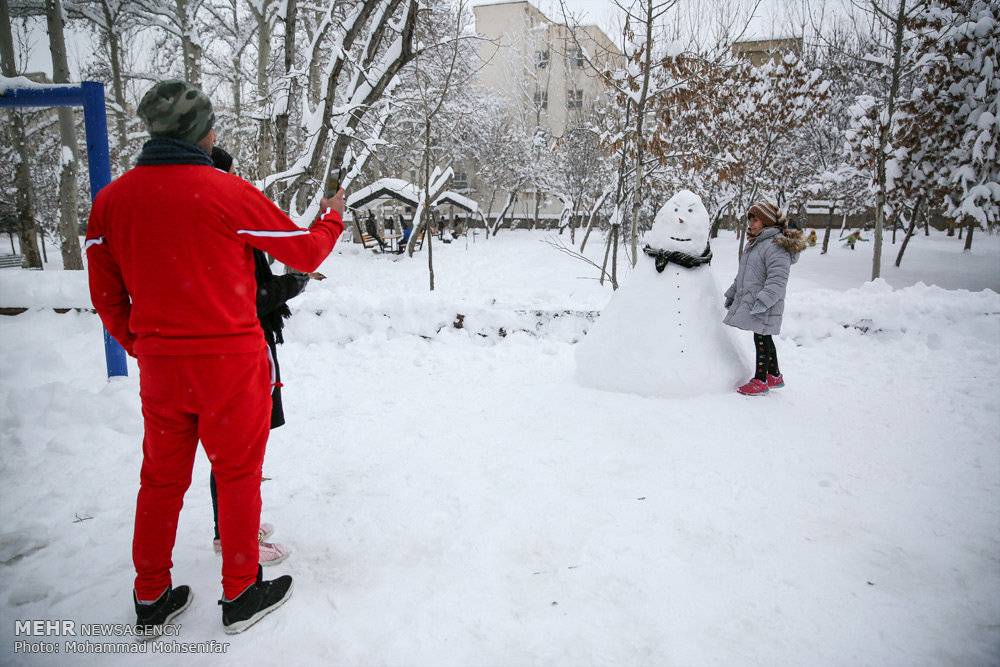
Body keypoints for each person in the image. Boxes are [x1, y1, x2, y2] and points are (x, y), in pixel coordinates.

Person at [85, 80, 346, 637]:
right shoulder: (223, 190)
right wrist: (331, 218)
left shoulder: (111, 202)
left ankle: (151, 595)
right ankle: (240, 593)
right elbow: (303, 248)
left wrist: (143, 345)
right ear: (204, 133)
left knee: (160, 481)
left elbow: (105, 295)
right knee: (236, 475)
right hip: (230, 364)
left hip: (161, 367)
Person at [207, 146, 308, 567]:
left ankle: (230, 529)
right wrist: (293, 284)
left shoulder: (218, 219)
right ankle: (237, 539)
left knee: (237, 449)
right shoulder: (225, 221)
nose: (239, 179)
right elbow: (248, 296)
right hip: (239, 350)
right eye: (233, 172)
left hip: (237, 346)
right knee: (240, 450)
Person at [723, 201, 806, 396]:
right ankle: (774, 375)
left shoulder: (775, 246)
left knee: (760, 338)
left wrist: (764, 300)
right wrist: (733, 293)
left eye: (756, 219)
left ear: (767, 221)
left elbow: (778, 279)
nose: (751, 223)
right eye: (750, 219)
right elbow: (743, 275)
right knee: (763, 336)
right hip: (755, 301)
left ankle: (760, 380)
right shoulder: (756, 244)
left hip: (764, 303)